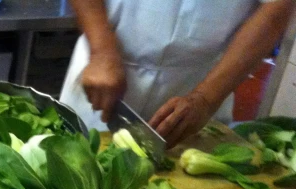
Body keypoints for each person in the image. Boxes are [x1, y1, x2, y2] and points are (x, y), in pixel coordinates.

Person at [60, 0, 295, 146]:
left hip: (203, 84)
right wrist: (101, 50)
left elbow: (277, 7)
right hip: (104, 71)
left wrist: (205, 99)